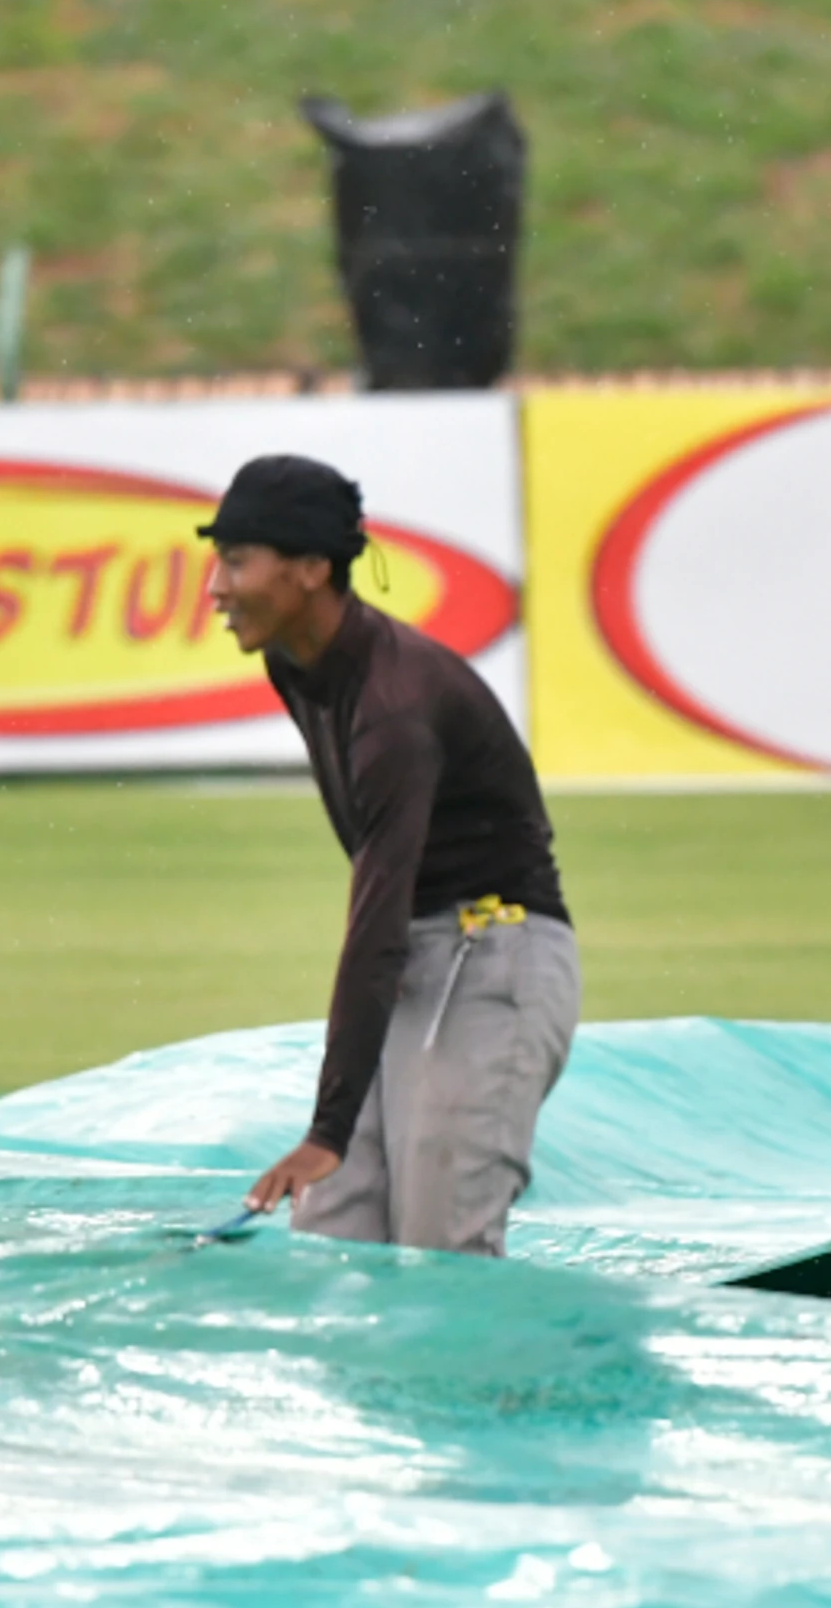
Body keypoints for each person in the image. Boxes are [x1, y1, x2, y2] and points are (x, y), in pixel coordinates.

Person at [205, 454, 579, 1256]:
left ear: (310, 570)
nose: (215, 588)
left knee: (443, 1251)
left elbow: (374, 915)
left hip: (496, 958)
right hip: (419, 958)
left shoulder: (394, 708)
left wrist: (327, 1128)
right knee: (335, 1244)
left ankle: (519, 1387)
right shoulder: (293, 661)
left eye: (236, 561)